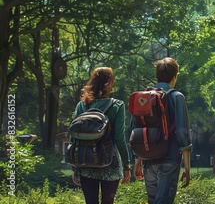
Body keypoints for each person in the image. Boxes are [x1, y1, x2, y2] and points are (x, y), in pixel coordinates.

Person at [134, 57, 192, 204]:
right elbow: (182, 132)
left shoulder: (143, 98)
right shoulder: (177, 97)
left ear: (157, 75)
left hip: (148, 159)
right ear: (174, 76)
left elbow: (136, 129)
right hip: (170, 158)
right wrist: (187, 167)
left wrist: (137, 161)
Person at [72, 67, 131, 204]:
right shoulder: (117, 105)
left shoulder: (82, 105)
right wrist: (127, 165)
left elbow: (74, 137)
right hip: (110, 162)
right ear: (109, 83)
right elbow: (119, 138)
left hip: (86, 162)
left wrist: (75, 167)